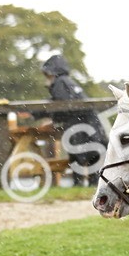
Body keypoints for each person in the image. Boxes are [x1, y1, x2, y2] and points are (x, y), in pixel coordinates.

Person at [40, 54, 108, 186]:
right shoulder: (68, 82)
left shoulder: (60, 83)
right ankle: (93, 186)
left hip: (79, 126)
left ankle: (79, 184)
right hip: (89, 125)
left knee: (79, 156)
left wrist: (50, 117)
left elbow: (61, 106)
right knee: (93, 155)